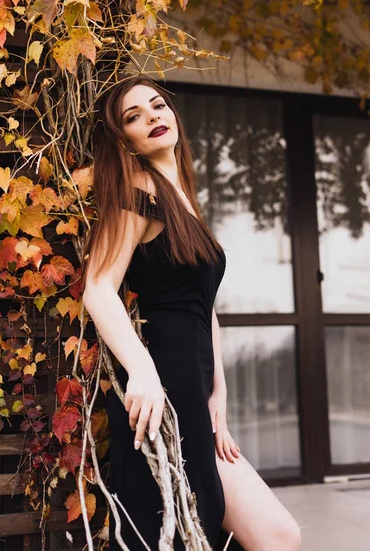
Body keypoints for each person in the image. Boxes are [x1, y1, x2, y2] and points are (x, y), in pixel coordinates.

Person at [82, 75, 301, 551]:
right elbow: (99, 288)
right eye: (133, 117)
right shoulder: (139, 191)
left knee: (276, 534)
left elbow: (206, 309)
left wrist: (219, 391)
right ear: (127, 142)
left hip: (194, 388)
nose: (153, 117)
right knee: (182, 531)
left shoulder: (181, 198)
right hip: (162, 385)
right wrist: (141, 368)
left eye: (157, 106)